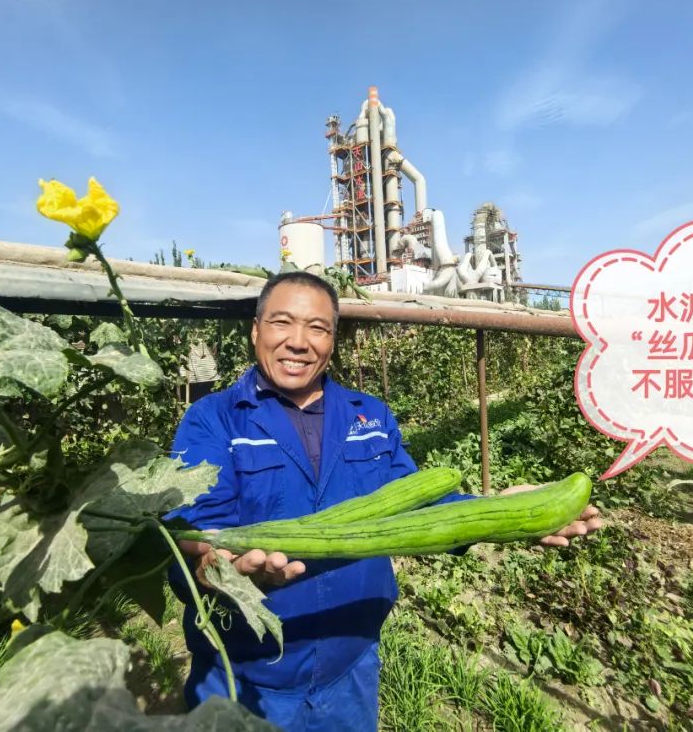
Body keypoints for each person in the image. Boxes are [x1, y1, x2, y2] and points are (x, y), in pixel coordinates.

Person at [168, 271, 602, 731]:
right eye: (282, 322)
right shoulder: (213, 420)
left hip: (352, 666)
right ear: (256, 330)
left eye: (317, 328)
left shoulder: (370, 416)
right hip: (246, 677)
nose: (298, 341)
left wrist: (496, 512)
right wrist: (221, 571)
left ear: (333, 340)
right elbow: (195, 538)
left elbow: (415, 509)